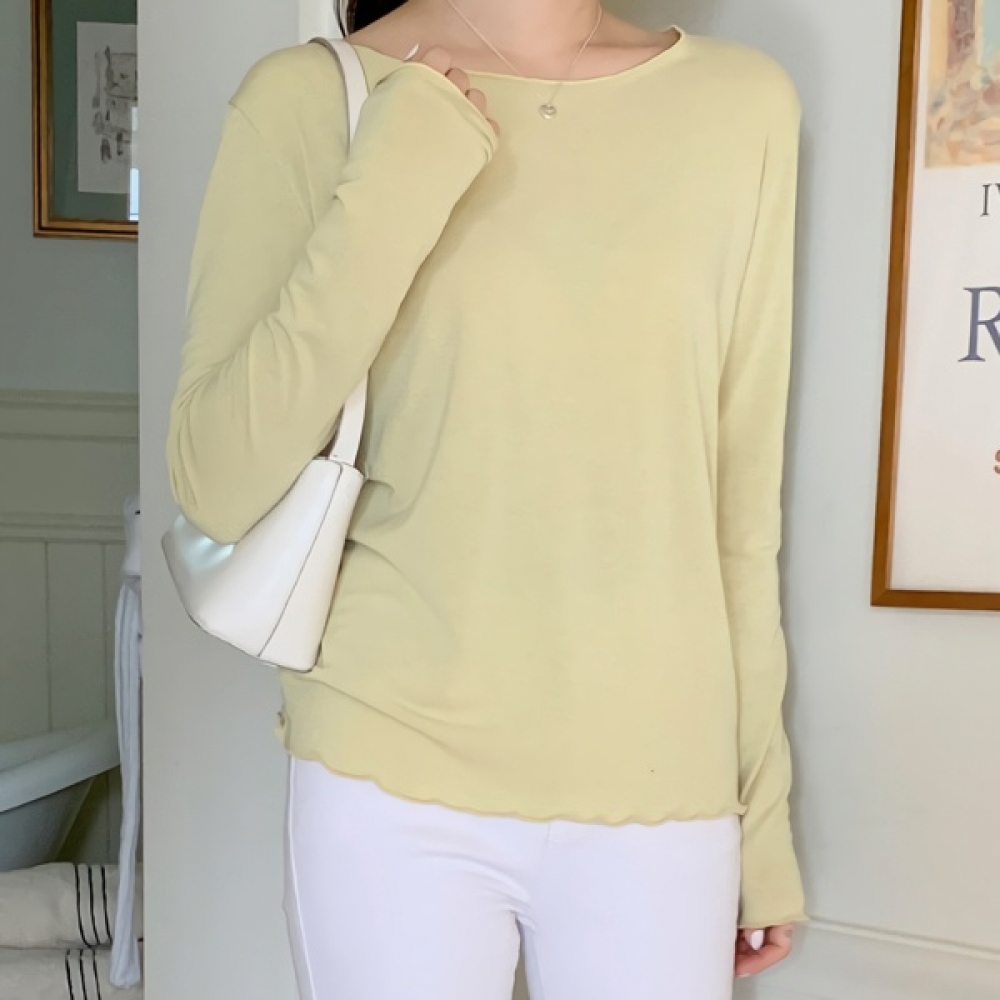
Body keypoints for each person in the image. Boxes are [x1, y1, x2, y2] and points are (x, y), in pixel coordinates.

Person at [164, 0, 808, 996]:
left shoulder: (741, 105)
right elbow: (215, 478)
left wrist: (758, 813)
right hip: (388, 765)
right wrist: (391, 185)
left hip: (665, 780)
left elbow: (739, 510)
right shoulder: (310, 99)